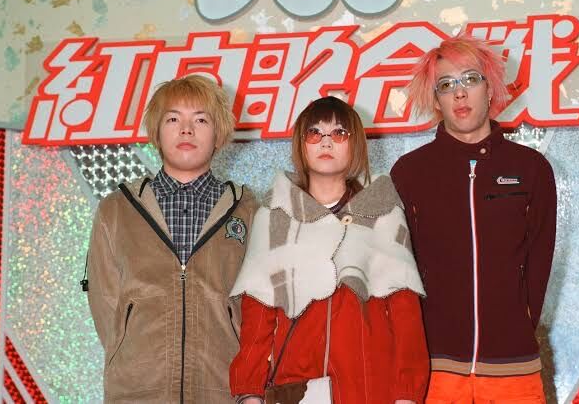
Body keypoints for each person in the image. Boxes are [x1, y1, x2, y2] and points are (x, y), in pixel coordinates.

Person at [229, 96, 429, 404]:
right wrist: (249, 391)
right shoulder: (275, 215)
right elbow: (258, 314)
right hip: (296, 389)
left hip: (371, 389)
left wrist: (408, 394)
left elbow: (406, 314)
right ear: (301, 144)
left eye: (339, 133)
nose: (326, 142)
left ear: (355, 144)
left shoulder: (382, 212)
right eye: (314, 133)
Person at [390, 34, 557, 403]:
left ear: (490, 87)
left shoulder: (531, 169)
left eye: (470, 79)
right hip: (435, 369)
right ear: (436, 99)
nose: (460, 93)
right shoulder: (409, 173)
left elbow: (539, 263)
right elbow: (399, 269)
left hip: (513, 369)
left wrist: (517, 325)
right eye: (446, 85)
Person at [85, 75, 256, 403]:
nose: (186, 130)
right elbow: (105, 303)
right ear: (157, 132)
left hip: (223, 390)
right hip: (137, 393)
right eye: (173, 119)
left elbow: (257, 307)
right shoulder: (116, 210)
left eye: (201, 120)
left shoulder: (248, 210)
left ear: (218, 134)